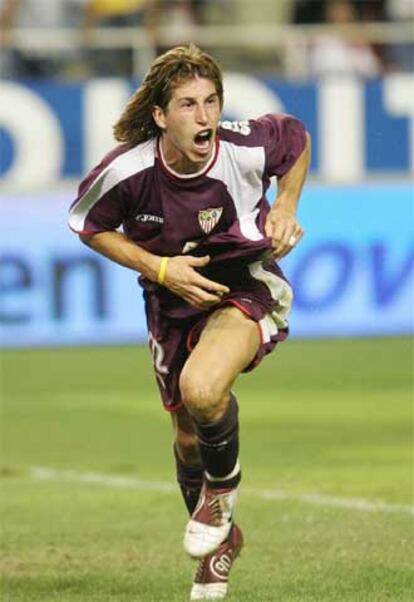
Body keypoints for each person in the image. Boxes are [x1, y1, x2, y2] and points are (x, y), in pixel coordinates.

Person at [68, 43, 310, 600]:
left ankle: (220, 496)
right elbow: (88, 223)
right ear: (160, 115)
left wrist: (286, 206)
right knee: (184, 437)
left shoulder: (244, 147)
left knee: (201, 390)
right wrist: (159, 267)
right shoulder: (127, 170)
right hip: (171, 301)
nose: (204, 117)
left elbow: (296, 139)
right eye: (187, 105)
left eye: (211, 102)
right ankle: (219, 548)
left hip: (244, 284)